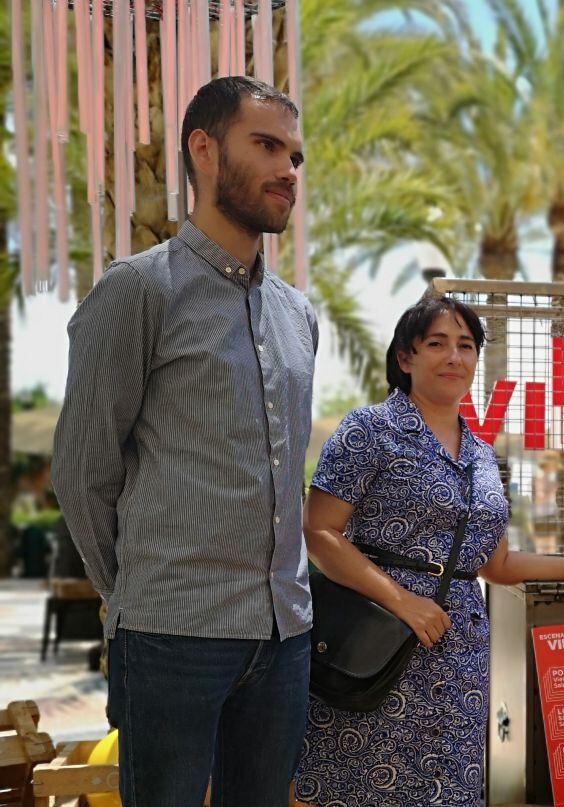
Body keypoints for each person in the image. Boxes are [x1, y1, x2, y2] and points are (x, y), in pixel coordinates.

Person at [52, 76, 316, 807]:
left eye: (294, 155)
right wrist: (135, 592)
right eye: (266, 146)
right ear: (203, 149)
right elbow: (81, 470)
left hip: (285, 633)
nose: (287, 170)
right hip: (172, 635)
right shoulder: (139, 292)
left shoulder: (299, 316)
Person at [295, 296, 564, 806]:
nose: (454, 357)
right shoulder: (368, 430)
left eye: (465, 345)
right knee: (360, 785)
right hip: (375, 641)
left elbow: (496, 564)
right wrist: (401, 601)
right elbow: (319, 531)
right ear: (405, 358)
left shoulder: (482, 455)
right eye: (436, 344)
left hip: (458, 658)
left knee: (448, 787)